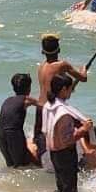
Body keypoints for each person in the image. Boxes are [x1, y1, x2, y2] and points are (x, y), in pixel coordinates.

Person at [34, 33, 88, 162]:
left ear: (43, 51)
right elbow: (83, 78)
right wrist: (84, 69)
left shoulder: (41, 66)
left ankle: (43, 161)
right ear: (59, 49)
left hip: (40, 107)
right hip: (54, 108)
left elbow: (50, 85)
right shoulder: (62, 65)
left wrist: (67, 87)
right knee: (78, 129)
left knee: (41, 137)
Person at [43, 73, 92, 192]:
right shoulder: (63, 112)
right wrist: (84, 129)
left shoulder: (48, 105)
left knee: (60, 189)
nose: (72, 91)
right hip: (65, 153)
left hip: (53, 151)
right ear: (64, 89)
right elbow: (68, 139)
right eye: (71, 89)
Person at [0, 73, 41, 168]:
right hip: (13, 135)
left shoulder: (7, 100)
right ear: (29, 88)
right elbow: (44, 107)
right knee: (22, 165)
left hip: (0, 134)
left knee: (11, 164)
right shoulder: (27, 99)